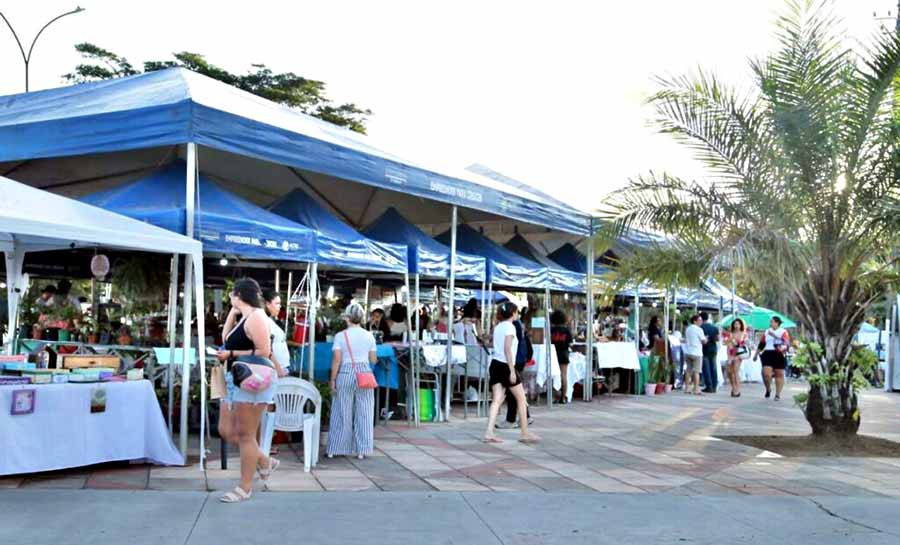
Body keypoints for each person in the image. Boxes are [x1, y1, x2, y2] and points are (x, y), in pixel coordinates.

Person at [216, 278, 278, 503]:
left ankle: (245, 486)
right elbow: (226, 339)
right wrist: (233, 313)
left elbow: (264, 350)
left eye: (232, 293)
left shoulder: (257, 317)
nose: (229, 297)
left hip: (252, 379)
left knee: (245, 435)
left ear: (240, 294)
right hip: (238, 378)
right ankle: (263, 460)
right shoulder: (246, 317)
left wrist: (231, 355)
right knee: (228, 430)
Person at [483, 301, 538, 444]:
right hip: (506, 365)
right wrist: (512, 371)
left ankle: (489, 431)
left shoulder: (498, 327)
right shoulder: (511, 328)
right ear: (513, 313)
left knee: (497, 400)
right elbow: (508, 349)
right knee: (521, 399)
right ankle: (524, 432)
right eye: (517, 312)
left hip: (495, 364)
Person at [327, 303, 377, 460]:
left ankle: (336, 448)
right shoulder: (369, 336)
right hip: (364, 373)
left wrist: (332, 379)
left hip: (345, 372)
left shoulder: (340, 336)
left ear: (347, 318)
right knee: (365, 412)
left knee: (341, 410)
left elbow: (336, 360)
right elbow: (373, 359)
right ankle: (362, 450)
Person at [756, 316, 790, 400]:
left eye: (772, 322)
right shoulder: (767, 331)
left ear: (777, 323)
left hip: (778, 353)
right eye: (770, 322)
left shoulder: (783, 332)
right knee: (766, 374)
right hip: (768, 353)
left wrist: (783, 347)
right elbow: (762, 343)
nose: (770, 323)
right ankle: (768, 389)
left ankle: (777, 394)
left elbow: (786, 342)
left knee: (779, 374)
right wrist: (756, 354)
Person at [261, 289, 289, 378]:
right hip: (275, 370)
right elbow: (267, 349)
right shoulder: (263, 321)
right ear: (267, 304)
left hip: (280, 368)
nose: (280, 306)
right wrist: (278, 370)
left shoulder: (268, 319)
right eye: (277, 303)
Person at [550, 310, 573, 404]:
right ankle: (563, 398)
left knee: (553, 375)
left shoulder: (551, 330)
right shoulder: (567, 330)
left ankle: (555, 396)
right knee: (563, 375)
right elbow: (570, 343)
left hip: (553, 353)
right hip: (564, 353)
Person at [723, 318, 749, 398]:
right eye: (735, 324)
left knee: (735, 371)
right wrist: (730, 340)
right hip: (730, 354)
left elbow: (745, 343)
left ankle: (737, 389)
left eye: (738, 324)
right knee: (729, 372)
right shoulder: (730, 333)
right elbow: (726, 342)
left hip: (738, 354)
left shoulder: (744, 334)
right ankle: (733, 386)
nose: (736, 325)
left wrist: (738, 342)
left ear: (741, 325)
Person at [684, 314, 707, 395]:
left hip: (688, 352)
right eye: (699, 320)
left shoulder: (687, 329)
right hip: (697, 352)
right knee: (697, 371)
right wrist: (706, 339)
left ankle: (687, 388)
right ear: (694, 321)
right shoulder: (699, 330)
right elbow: (703, 341)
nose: (701, 322)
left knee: (688, 370)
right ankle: (696, 389)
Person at [699, 311, 720, 393]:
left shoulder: (700, 328)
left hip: (704, 349)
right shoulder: (714, 327)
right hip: (713, 349)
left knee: (706, 369)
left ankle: (709, 386)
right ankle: (714, 386)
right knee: (714, 368)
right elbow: (717, 339)